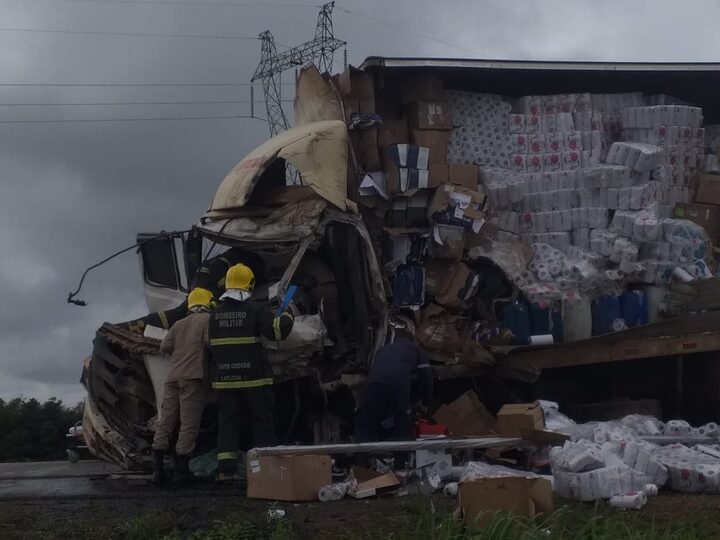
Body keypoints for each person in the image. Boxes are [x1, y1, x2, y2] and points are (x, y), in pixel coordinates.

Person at [208, 263, 294, 482]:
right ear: (250, 284)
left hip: (225, 381)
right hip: (254, 379)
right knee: (262, 421)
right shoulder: (255, 309)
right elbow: (277, 331)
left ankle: (226, 470)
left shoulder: (215, 313)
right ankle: (266, 467)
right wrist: (288, 311)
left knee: (227, 422)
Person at [151, 287, 213, 486]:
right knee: (189, 423)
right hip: (193, 377)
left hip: (172, 377)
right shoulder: (207, 321)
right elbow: (210, 344)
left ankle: (157, 471)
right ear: (209, 303)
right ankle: (181, 471)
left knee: (166, 421)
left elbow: (164, 347)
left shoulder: (178, 324)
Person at [354, 316, 434, 445]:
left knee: (366, 417)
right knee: (402, 420)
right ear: (412, 340)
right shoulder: (417, 350)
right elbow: (427, 379)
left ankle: (362, 457)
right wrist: (426, 401)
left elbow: (378, 369)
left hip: (373, 381)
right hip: (398, 383)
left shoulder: (383, 350)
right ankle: (400, 461)